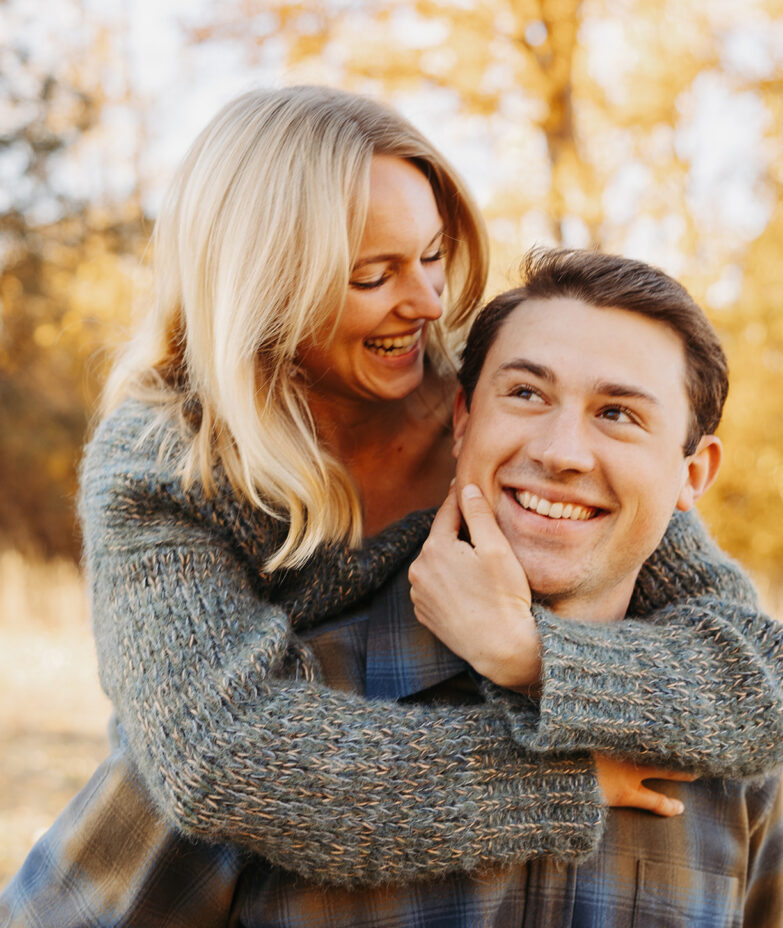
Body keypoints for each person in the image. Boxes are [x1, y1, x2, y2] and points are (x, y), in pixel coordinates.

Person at [0, 89, 780, 923]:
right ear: (263, 289)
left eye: (434, 255)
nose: (430, 305)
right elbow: (222, 759)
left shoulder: (505, 420)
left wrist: (531, 655)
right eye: (373, 275)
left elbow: (752, 675)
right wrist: (549, 783)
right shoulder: (167, 468)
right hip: (294, 760)